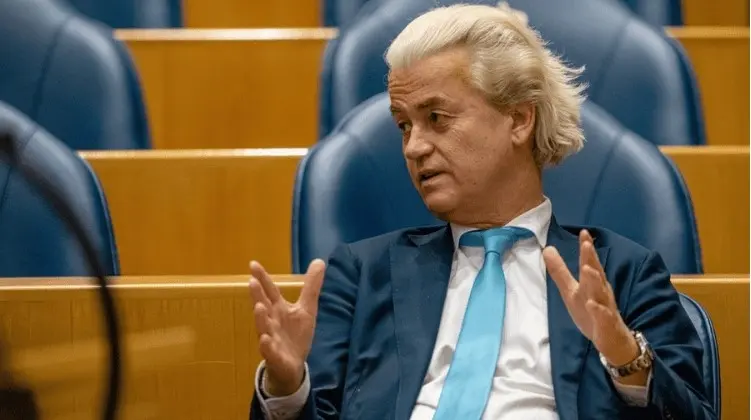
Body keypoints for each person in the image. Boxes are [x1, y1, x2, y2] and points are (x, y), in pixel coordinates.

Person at [248, 3, 715, 419]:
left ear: (519, 119)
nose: (413, 147)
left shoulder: (623, 273)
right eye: (404, 125)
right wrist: (287, 388)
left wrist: (626, 359)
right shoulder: (363, 275)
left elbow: (693, 412)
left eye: (436, 118)